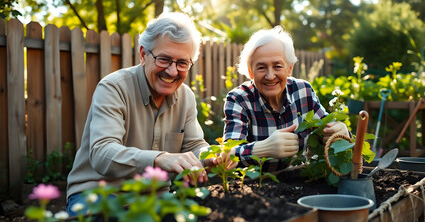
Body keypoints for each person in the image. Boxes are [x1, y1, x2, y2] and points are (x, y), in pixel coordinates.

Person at [66, 12, 224, 216]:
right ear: (143, 55)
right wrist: (159, 159)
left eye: (182, 63)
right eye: (164, 59)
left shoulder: (186, 97)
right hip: (98, 194)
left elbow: (194, 145)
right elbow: (102, 152)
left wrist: (209, 157)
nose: (172, 71)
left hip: (156, 197)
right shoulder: (113, 88)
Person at [223, 26, 350, 172]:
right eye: (261, 67)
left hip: (300, 180)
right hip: (256, 184)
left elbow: (326, 130)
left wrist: (340, 132)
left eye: (277, 66)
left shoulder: (303, 91)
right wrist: (263, 148)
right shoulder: (239, 99)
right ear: (250, 72)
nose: (270, 76)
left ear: (289, 68)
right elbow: (227, 155)